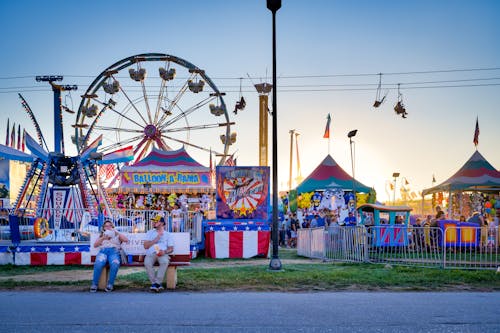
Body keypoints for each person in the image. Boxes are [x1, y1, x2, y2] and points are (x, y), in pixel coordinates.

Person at [90, 221, 128, 293]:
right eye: (106, 226)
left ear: (112, 227)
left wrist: (116, 232)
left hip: (114, 252)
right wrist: (103, 238)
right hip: (103, 252)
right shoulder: (102, 235)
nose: (108, 227)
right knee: (98, 263)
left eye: (110, 226)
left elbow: (126, 240)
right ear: (104, 228)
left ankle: (110, 284)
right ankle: (94, 284)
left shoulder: (116, 234)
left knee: (115, 264)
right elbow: (95, 245)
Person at [143, 215, 174, 292]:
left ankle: (157, 283)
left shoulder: (168, 234)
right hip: (151, 253)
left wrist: (164, 252)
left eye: (156, 221)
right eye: (153, 221)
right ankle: (155, 283)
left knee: (164, 262)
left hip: (162, 253)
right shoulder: (150, 233)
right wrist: (156, 239)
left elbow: (171, 249)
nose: (154, 222)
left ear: (162, 223)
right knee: (147, 263)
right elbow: (146, 246)